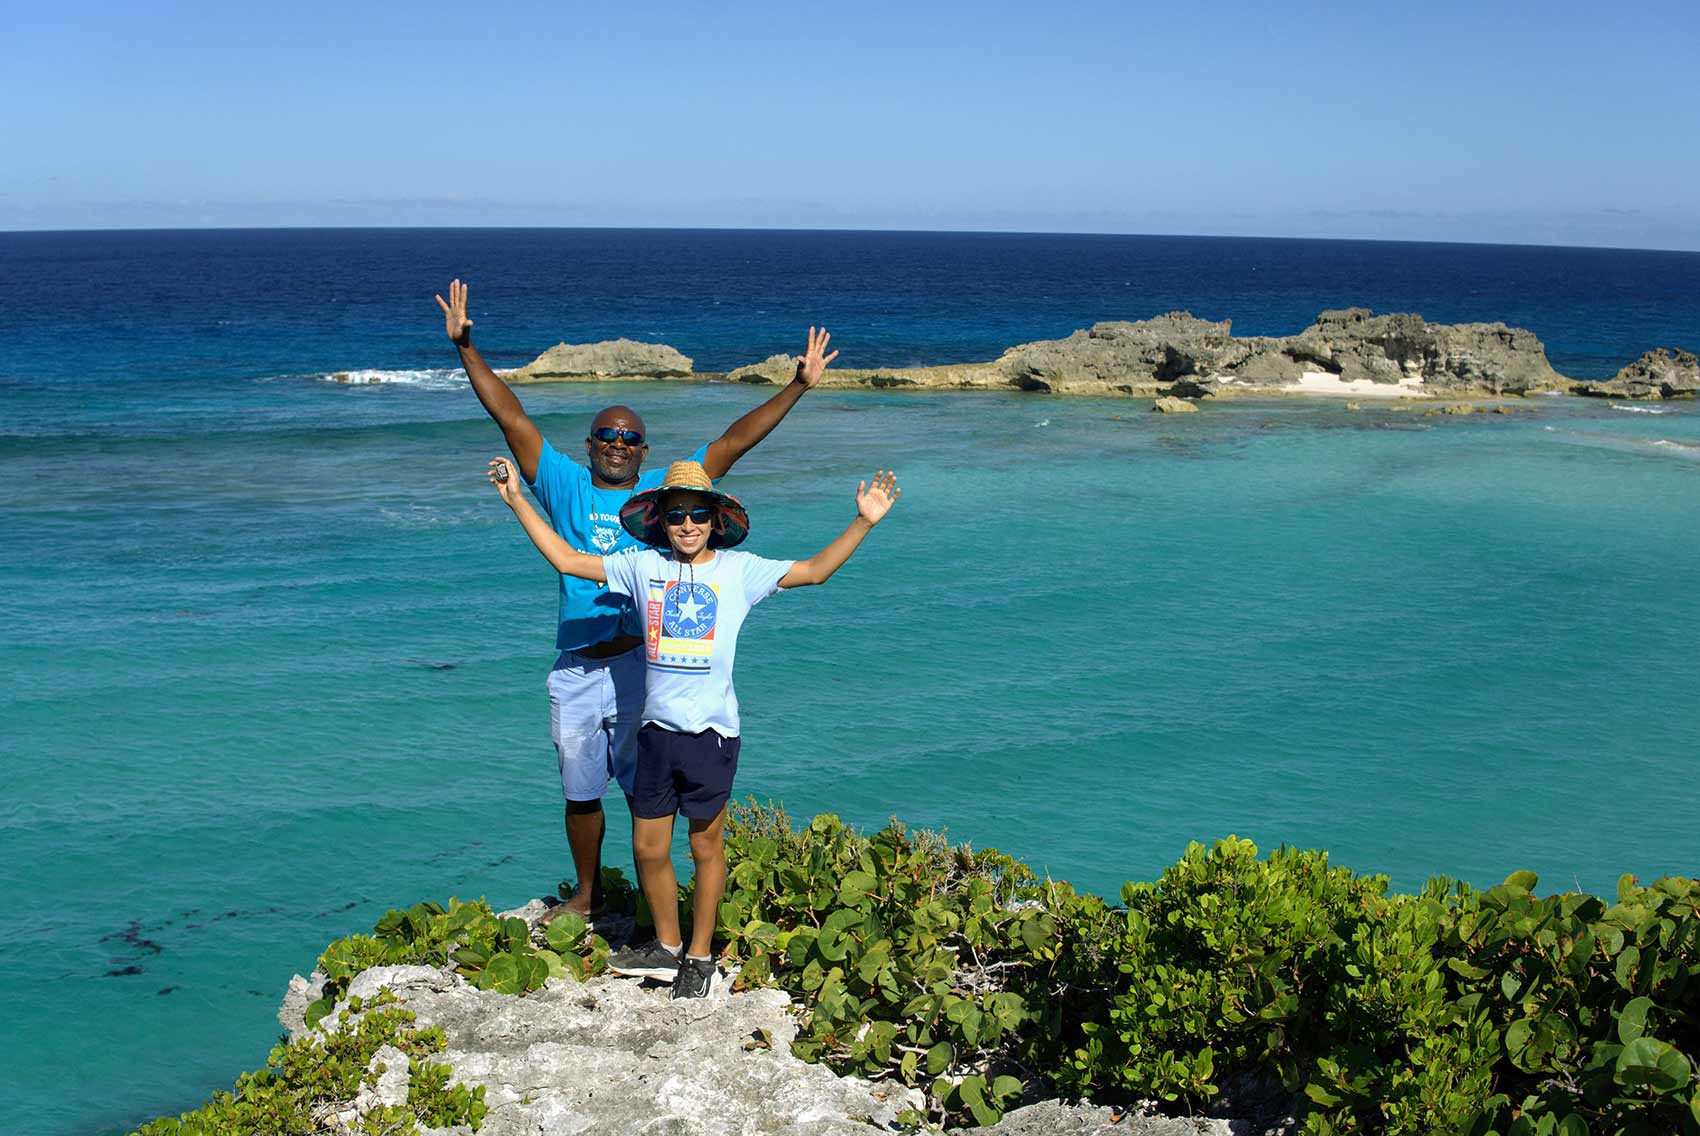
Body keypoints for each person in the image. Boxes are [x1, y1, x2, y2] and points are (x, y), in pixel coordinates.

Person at [437, 278, 839, 923]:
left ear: (644, 452)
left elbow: (735, 441)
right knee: (579, 790)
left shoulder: (665, 495)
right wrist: (466, 348)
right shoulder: (562, 483)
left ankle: (660, 915)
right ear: (589, 445)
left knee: (644, 792)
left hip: (639, 668)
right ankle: (588, 897)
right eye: (607, 436)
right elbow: (510, 415)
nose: (618, 445)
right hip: (575, 665)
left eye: (629, 438)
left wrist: (797, 386)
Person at [488, 457, 901, 998]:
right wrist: (519, 498)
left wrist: (864, 521)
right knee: (649, 848)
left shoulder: (739, 571)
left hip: (711, 736)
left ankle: (700, 956)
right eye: (677, 515)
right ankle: (667, 946)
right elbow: (567, 560)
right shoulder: (640, 566)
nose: (688, 525)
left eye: (698, 514)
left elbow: (815, 570)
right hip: (655, 731)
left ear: (715, 519)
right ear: (660, 519)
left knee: (706, 848)